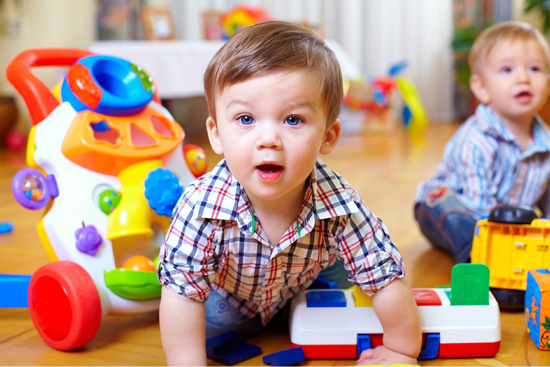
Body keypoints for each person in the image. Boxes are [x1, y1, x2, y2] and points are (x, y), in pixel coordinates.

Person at [158, 20, 421, 366]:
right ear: (216, 134)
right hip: (226, 306)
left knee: (348, 281)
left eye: (293, 120)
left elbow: (385, 278)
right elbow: (181, 293)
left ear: (328, 137)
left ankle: (307, 309)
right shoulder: (200, 205)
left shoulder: (341, 203)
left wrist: (401, 349)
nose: (268, 139)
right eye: (246, 119)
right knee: (198, 313)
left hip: (304, 288)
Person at [414, 21, 550, 263]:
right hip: (453, 210)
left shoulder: (545, 143)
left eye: (534, 69)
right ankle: (476, 258)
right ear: (482, 87)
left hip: (510, 224)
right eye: (507, 70)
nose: (523, 78)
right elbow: (479, 208)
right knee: (453, 213)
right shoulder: (475, 140)